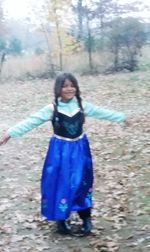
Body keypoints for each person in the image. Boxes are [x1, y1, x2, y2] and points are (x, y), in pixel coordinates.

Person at [0, 72, 126, 236]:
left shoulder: (82, 106)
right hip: (60, 152)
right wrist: (10, 133)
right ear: (58, 88)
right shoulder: (52, 109)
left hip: (80, 150)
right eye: (65, 86)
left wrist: (123, 117)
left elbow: (102, 112)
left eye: (72, 85)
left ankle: (85, 218)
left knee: (82, 182)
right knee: (61, 182)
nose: (69, 89)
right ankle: (61, 220)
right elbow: (31, 120)